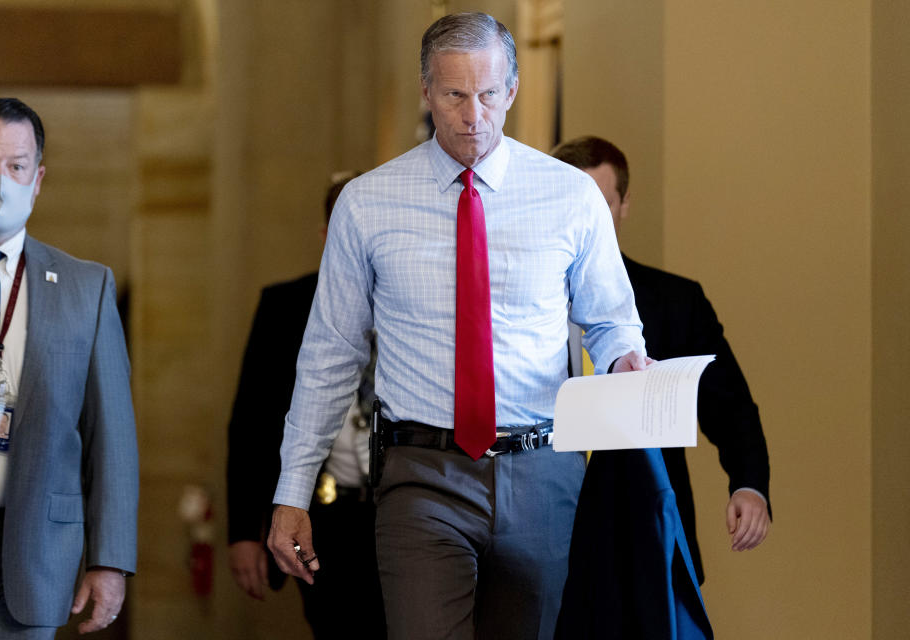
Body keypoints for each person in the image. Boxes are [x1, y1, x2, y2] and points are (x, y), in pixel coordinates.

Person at [267, 13, 649, 640]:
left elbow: (610, 322)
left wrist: (623, 360)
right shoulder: (367, 204)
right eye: (455, 95)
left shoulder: (569, 197)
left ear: (514, 89)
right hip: (422, 474)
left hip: (542, 471)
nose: (475, 114)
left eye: (489, 93)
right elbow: (329, 356)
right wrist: (292, 491)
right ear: (426, 92)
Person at [0, 98, 138, 638]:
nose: (1, 182)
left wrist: (109, 560)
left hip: (28, 550)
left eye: (17, 166)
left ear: (38, 179)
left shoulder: (87, 288)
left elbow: (112, 437)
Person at [551, 135, 771, 584]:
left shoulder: (676, 302)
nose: (585, 221)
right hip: (540, 525)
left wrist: (749, 485)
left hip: (645, 529)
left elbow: (728, 405)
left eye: (600, 205)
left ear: (624, 205)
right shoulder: (513, 304)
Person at [226, 171, 385, 639]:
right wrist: (243, 531)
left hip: (402, 511)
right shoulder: (283, 306)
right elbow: (251, 424)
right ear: (325, 237)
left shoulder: (417, 305)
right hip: (324, 515)